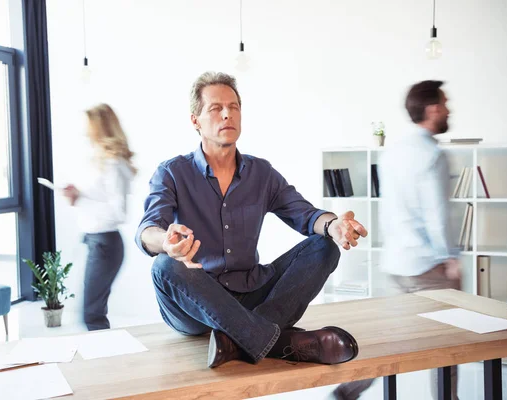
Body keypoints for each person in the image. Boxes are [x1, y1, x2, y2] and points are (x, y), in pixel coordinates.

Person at [135, 72, 368, 368]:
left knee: (325, 247)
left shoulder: (262, 173)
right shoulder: (172, 172)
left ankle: (236, 340)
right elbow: (148, 229)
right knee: (164, 266)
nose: (227, 114)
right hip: (194, 302)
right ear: (195, 120)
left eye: (233, 107)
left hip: (250, 293)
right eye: (215, 108)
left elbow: (305, 215)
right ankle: (278, 342)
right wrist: (165, 243)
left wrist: (333, 225)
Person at [333, 80, 461, 400]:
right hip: (428, 266)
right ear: (432, 109)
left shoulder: (394, 152)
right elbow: (437, 212)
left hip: (395, 262)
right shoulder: (432, 154)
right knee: (449, 345)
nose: (449, 109)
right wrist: (450, 256)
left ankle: (349, 390)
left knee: (391, 342)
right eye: (445, 103)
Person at [63, 103, 137, 331]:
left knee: (92, 315)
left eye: (89, 125)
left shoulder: (114, 165)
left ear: (100, 127)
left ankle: (104, 361)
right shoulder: (101, 161)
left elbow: (119, 212)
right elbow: (99, 200)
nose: (85, 131)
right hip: (96, 242)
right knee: (92, 313)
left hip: (105, 244)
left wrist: (82, 199)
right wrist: (77, 196)